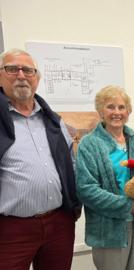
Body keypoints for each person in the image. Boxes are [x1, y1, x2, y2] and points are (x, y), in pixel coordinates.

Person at [0, 48, 80, 270]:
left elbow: (70, 166)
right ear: (0, 75)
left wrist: (74, 202)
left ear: (37, 78)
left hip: (59, 223)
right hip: (10, 228)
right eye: (12, 69)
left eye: (28, 70)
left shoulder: (54, 121)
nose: (21, 75)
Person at [75, 85, 134, 270]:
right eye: (110, 107)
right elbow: (86, 189)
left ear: (128, 111)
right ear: (100, 111)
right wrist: (127, 206)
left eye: (122, 107)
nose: (117, 112)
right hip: (108, 227)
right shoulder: (89, 144)